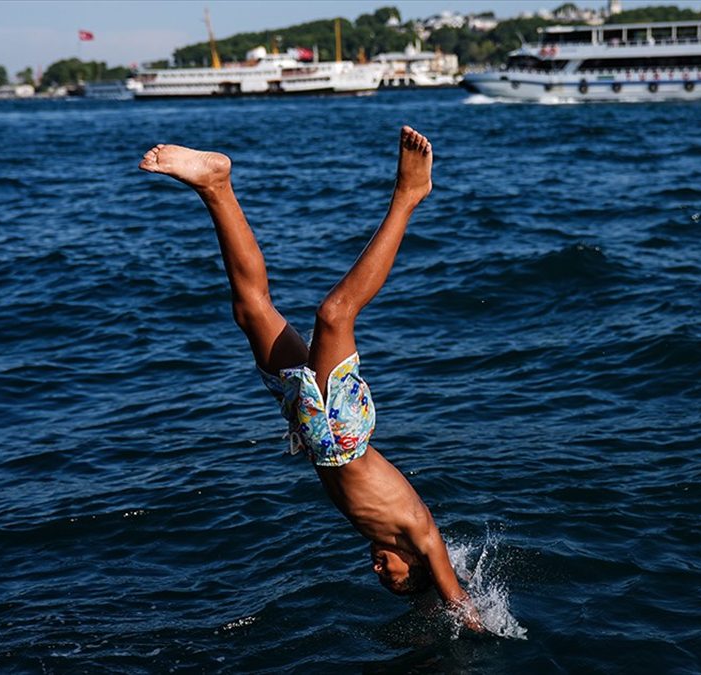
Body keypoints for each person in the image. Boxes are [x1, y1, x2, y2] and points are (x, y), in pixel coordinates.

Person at [138, 127, 483, 632]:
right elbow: (457, 596)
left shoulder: (389, 538)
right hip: (340, 433)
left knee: (251, 310)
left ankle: (216, 186)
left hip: (311, 426)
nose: (376, 569)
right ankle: (409, 195)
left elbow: (430, 595)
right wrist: (470, 621)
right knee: (335, 315)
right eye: (389, 577)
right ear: (416, 570)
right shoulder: (421, 537)